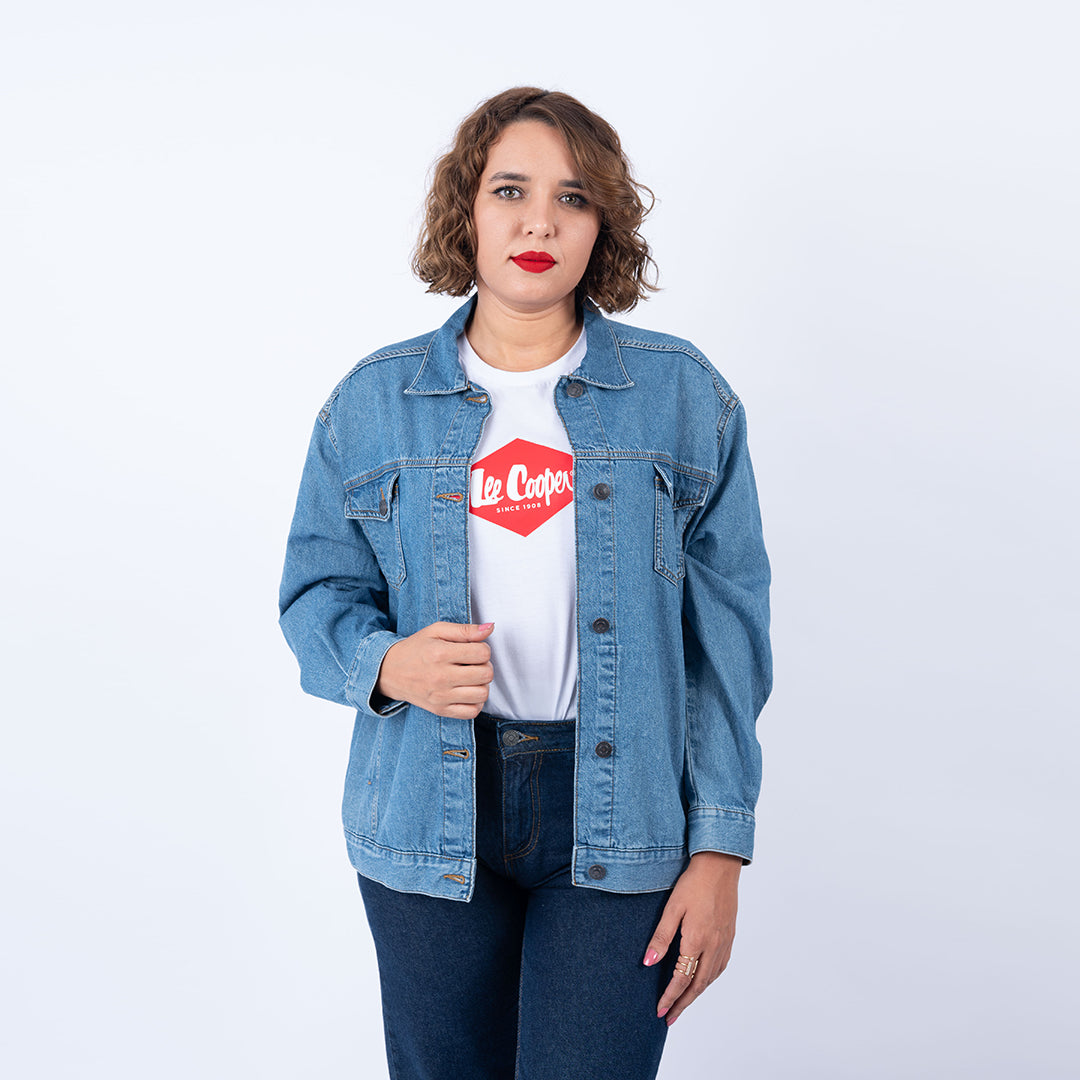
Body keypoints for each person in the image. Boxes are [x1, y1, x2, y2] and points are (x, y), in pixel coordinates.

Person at [278, 86, 772, 1080]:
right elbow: (313, 592)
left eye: (573, 197)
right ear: (467, 209)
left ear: (604, 225)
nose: (539, 221)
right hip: (426, 805)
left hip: (622, 806)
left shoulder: (684, 397)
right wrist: (389, 665)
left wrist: (721, 847)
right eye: (510, 190)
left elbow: (728, 645)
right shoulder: (372, 403)